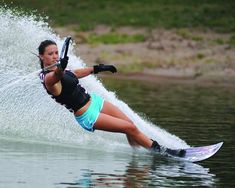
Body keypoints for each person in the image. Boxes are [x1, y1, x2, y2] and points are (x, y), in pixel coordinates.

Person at [38, 39, 185, 156]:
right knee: (129, 128)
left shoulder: (61, 69)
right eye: (50, 54)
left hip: (94, 101)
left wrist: (98, 68)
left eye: (56, 52)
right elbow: (57, 76)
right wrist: (60, 68)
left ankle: (138, 153)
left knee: (128, 123)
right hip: (87, 114)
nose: (55, 56)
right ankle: (161, 152)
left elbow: (74, 73)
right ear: (41, 57)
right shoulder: (48, 79)